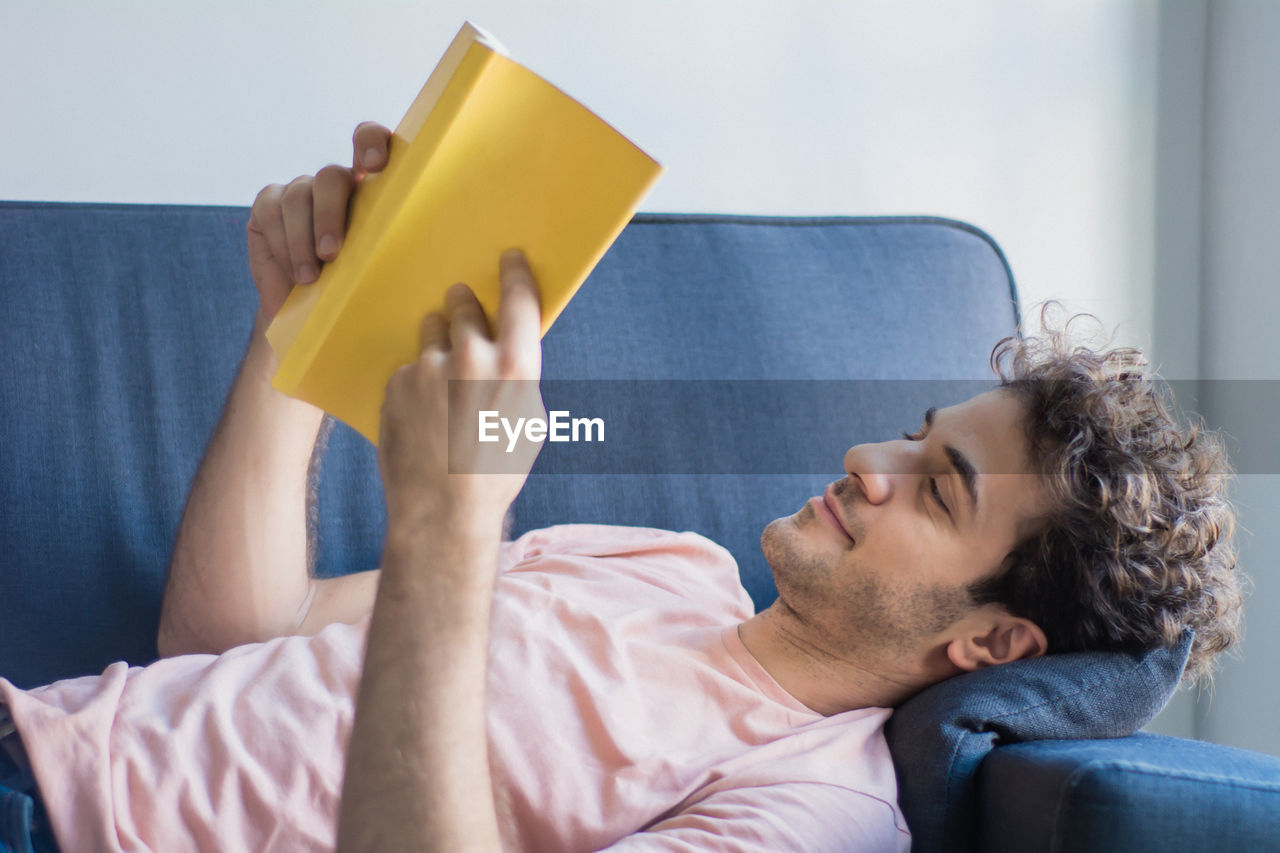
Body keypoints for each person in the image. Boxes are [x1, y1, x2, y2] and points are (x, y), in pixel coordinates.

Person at [0, 122, 1244, 853]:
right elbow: (224, 636)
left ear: (991, 637)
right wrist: (295, 333)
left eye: (936, 487)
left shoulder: (815, 805)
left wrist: (448, 527)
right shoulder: (659, 561)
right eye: (912, 435)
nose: (869, 464)